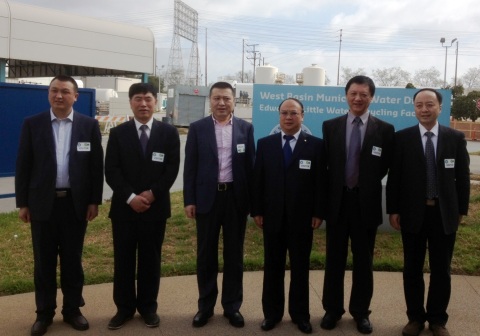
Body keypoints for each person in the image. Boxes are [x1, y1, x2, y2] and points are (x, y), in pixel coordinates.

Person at [15, 75, 104, 336]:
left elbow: (95, 168)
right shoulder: (33, 124)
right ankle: (44, 314)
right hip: (42, 205)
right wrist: (23, 203)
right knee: (43, 263)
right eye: (54, 91)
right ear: (48, 94)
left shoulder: (89, 126)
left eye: (65, 91)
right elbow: (23, 166)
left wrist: (93, 201)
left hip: (75, 205)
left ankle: (72, 310)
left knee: (72, 261)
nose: (59, 96)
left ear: (75, 96)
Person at [386, 88, 470, 336]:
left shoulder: (455, 138)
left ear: (439, 108)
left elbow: (462, 177)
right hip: (412, 213)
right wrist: (393, 210)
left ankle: (437, 320)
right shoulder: (402, 138)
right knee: (412, 269)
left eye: (429, 105)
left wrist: (460, 210)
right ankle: (415, 318)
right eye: (419, 105)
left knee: (441, 270)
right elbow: (395, 178)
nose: (424, 109)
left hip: (443, 214)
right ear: (414, 108)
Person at [321, 75, 394, 334]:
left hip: (366, 204)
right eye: (353, 93)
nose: (358, 98)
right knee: (334, 260)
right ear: (346, 95)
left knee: (364, 262)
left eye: (364, 94)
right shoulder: (330, 127)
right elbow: (326, 167)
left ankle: (361, 312)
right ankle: (332, 310)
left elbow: (383, 166)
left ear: (371, 97)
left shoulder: (385, 130)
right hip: (338, 203)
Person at [105, 83, 180, 330]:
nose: (144, 104)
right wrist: (131, 198)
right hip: (124, 210)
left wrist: (152, 194)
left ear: (156, 102)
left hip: (155, 209)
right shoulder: (118, 133)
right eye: (138, 99)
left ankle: (148, 308)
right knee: (123, 260)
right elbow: (112, 171)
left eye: (148, 99)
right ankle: (124, 309)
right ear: (130, 102)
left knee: (151, 260)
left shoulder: (169, 133)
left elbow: (171, 169)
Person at [183, 81, 255, 329]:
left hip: (235, 200)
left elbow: (250, 168)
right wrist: (189, 200)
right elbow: (190, 167)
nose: (222, 103)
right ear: (210, 100)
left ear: (234, 101)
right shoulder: (198, 128)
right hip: (206, 200)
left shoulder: (246, 129)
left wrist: (251, 203)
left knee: (234, 256)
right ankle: (205, 307)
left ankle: (232, 307)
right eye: (217, 98)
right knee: (206, 256)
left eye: (226, 98)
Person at [251, 98, 326, 334]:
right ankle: (271, 314)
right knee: (272, 267)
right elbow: (258, 180)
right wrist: (257, 211)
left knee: (300, 269)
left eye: (294, 113)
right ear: (279, 115)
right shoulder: (265, 144)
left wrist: (318, 212)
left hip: (302, 218)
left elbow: (320, 184)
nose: (288, 117)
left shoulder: (315, 145)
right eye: (284, 113)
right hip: (272, 217)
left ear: (302, 115)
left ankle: (300, 315)